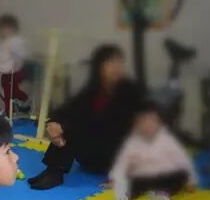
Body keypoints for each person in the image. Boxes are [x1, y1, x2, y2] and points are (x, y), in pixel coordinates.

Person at [29, 44, 143, 190]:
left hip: (113, 161)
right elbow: (65, 110)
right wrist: (54, 124)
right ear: (99, 67)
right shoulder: (92, 90)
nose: (116, 67)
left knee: (81, 126)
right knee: (68, 124)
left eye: (119, 62)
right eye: (110, 63)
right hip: (90, 158)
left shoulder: (130, 91)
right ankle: (53, 171)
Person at [110, 100, 197, 200]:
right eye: (143, 122)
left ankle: (160, 194)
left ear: (159, 123)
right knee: (133, 179)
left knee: (180, 175)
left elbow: (183, 160)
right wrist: (115, 178)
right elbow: (122, 161)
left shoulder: (166, 139)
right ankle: (125, 196)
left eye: (152, 122)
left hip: (164, 176)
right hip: (143, 176)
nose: (147, 126)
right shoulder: (133, 141)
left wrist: (191, 180)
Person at [0, 14, 29, 115]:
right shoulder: (3, 42)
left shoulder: (15, 42)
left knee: (9, 93)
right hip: (6, 72)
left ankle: (10, 112)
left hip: (14, 72)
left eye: (7, 29)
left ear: (14, 30)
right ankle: (22, 101)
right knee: (9, 90)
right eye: (2, 29)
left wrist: (16, 61)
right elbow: (1, 56)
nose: (4, 32)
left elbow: (22, 55)